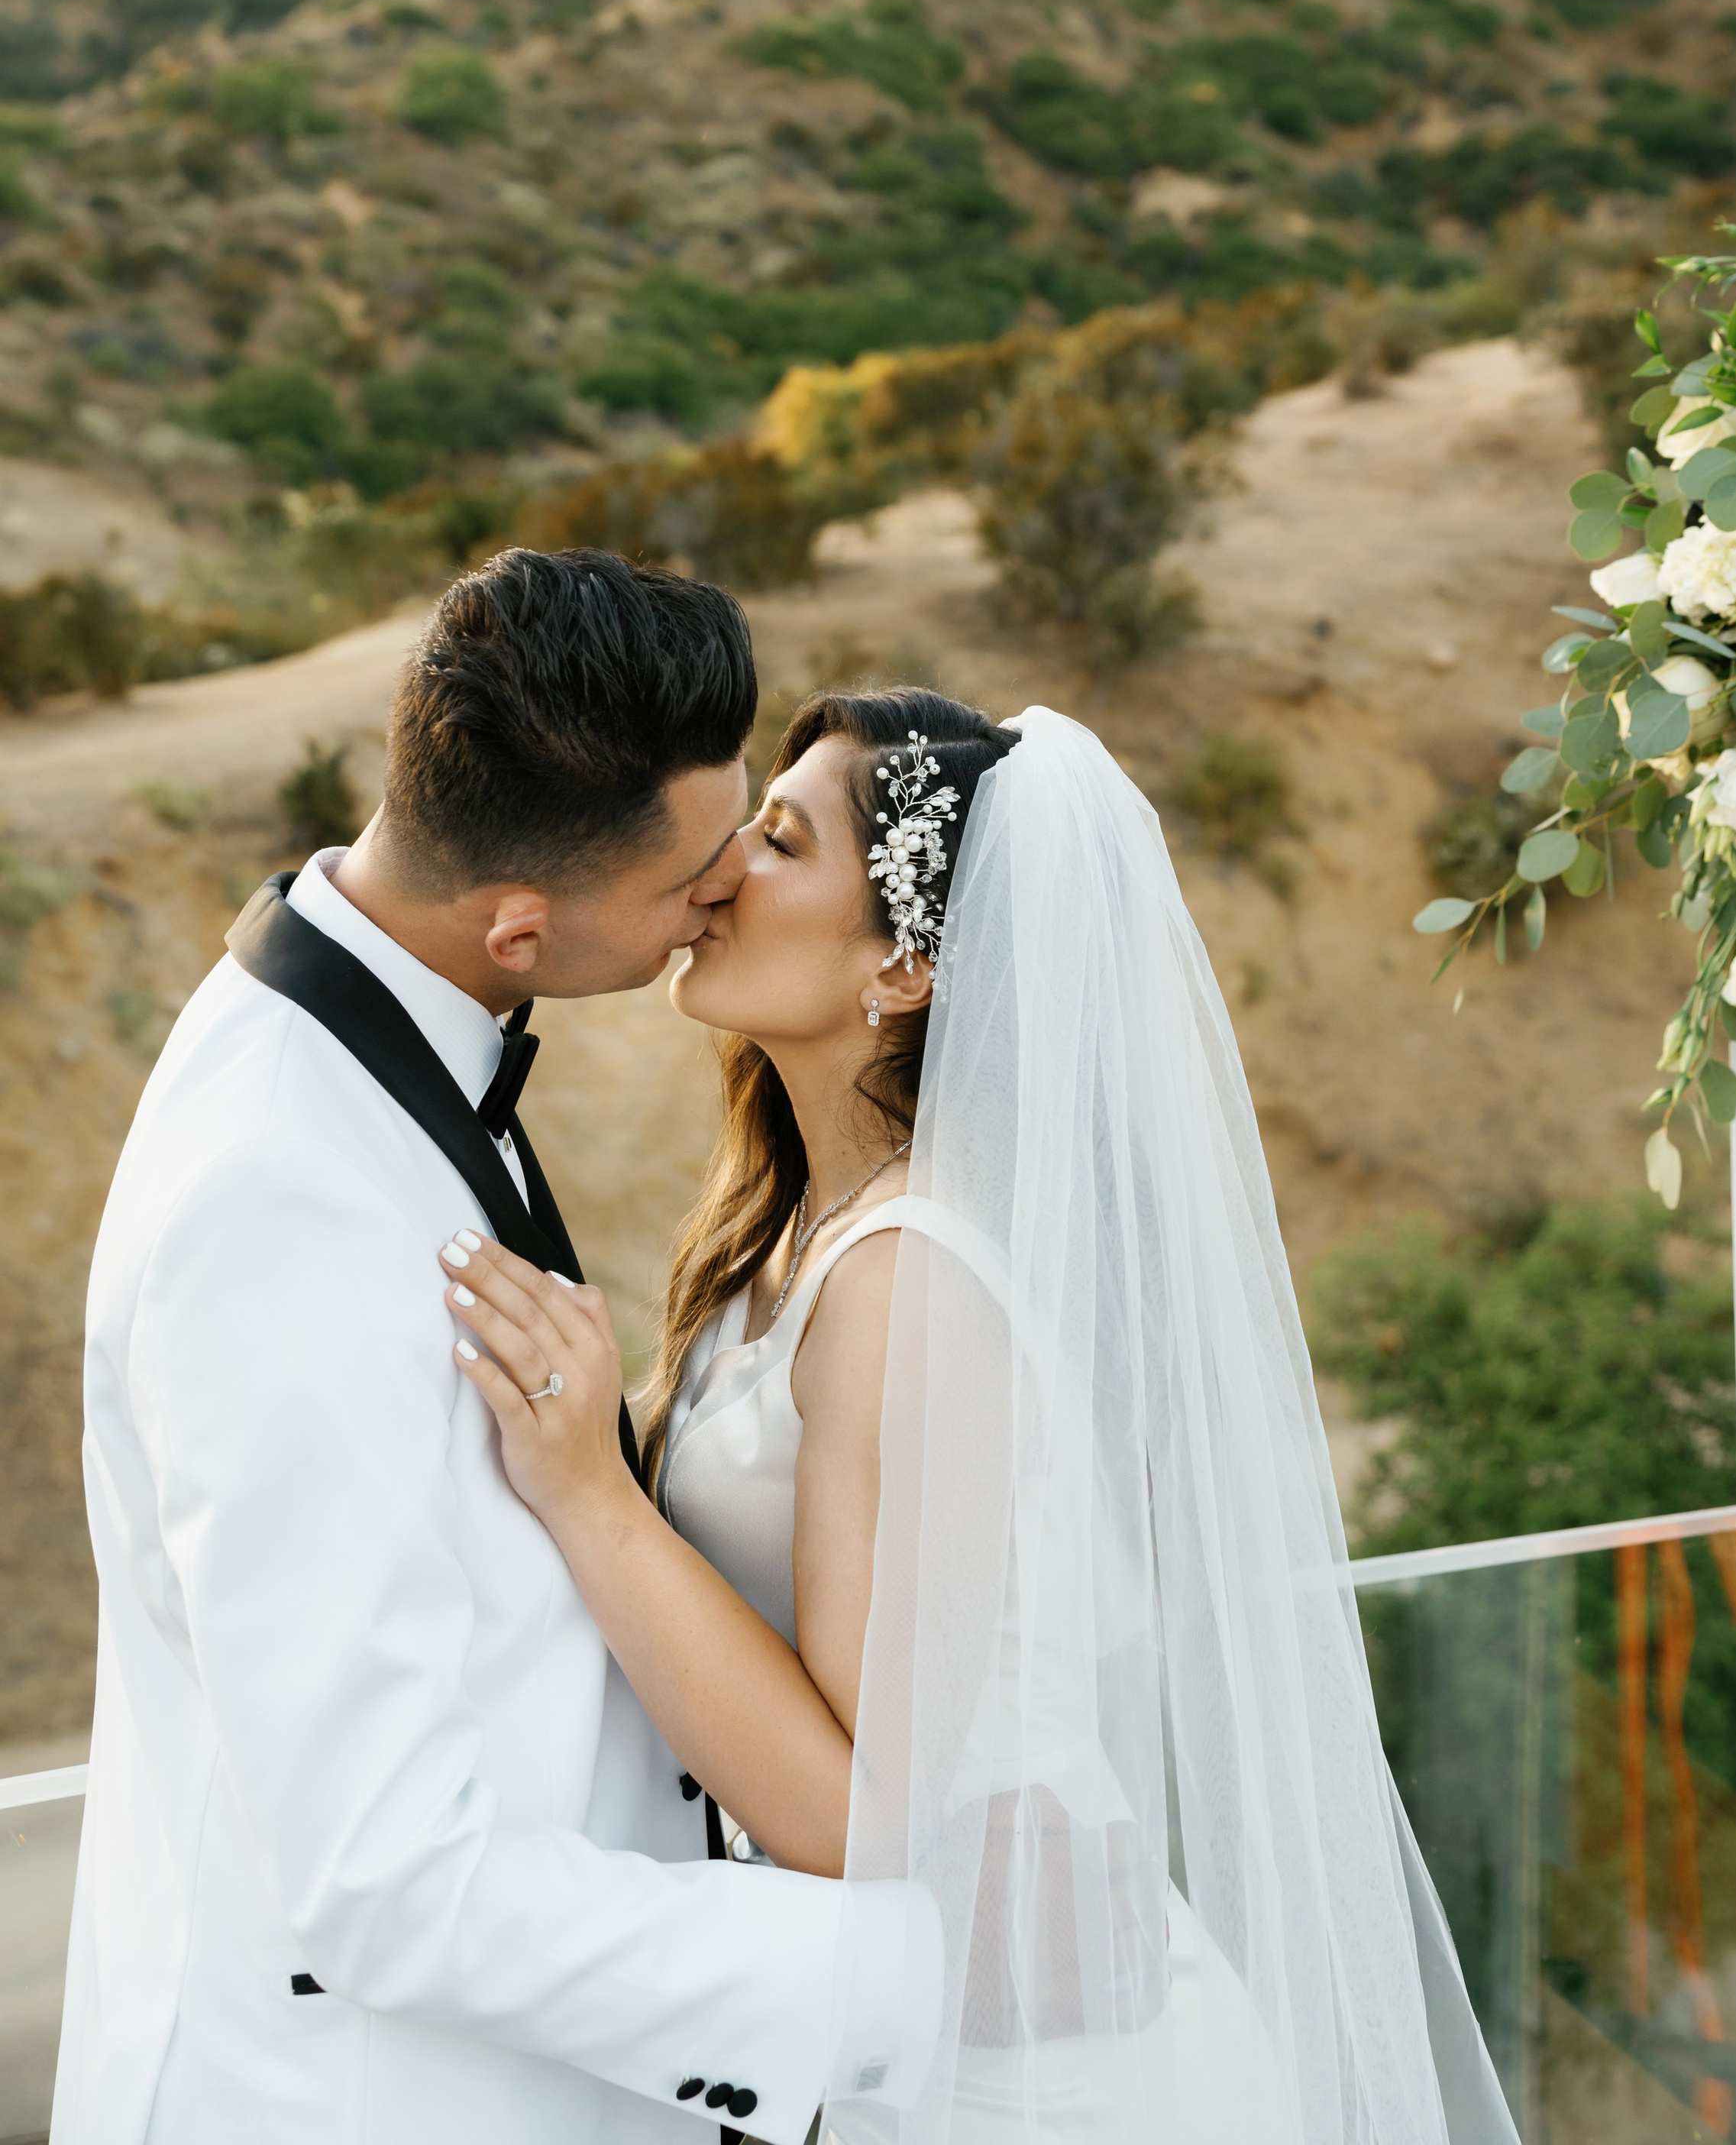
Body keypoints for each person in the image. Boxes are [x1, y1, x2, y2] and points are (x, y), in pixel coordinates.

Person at [435, 690, 1523, 2145]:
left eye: (780, 840)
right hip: (934, 2002)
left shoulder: (905, 1279)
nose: (720, 871)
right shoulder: (792, 1232)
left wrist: (587, 1493)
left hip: (1051, 2070)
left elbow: (861, 1811)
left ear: (903, 963)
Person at [54, 554, 936, 2145]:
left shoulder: (368, 1025)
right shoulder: (280, 1193)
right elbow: (387, 1882)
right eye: (689, 881)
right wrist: (911, 1971)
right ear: (521, 926)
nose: (722, 890)